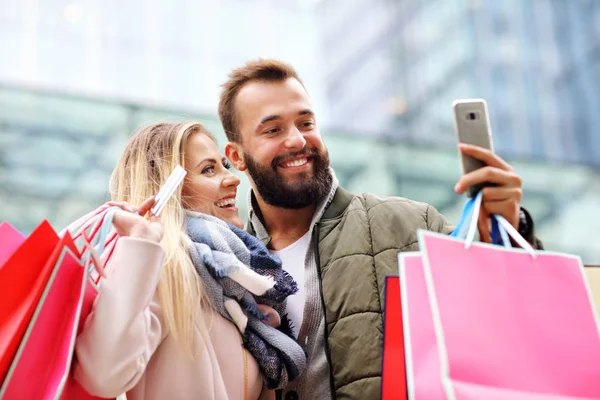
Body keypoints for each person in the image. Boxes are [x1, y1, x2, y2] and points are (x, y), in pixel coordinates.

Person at [218, 59, 544, 399]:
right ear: (237, 156)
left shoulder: (411, 226)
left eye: (306, 122)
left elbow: (507, 322)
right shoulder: (226, 268)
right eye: (273, 130)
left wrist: (509, 230)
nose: (298, 140)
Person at [72, 122, 306, 400]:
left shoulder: (234, 286)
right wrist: (141, 246)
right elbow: (103, 375)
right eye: (208, 169)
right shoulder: (162, 269)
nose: (233, 179)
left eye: (224, 166)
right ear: (167, 190)